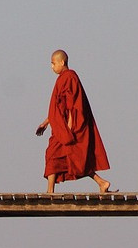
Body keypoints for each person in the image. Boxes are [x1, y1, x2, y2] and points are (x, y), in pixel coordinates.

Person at [35, 49, 115, 193]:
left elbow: (73, 104)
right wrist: (46, 122)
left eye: (53, 63)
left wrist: (70, 127)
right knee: (73, 159)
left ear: (62, 62)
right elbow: (58, 106)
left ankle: (50, 191)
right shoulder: (62, 78)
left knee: (53, 154)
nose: (52, 67)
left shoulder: (70, 77)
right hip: (61, 126)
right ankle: (101, 182)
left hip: (67, 127)